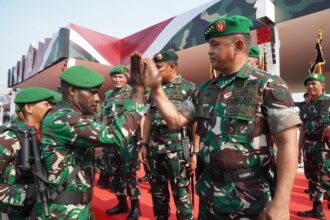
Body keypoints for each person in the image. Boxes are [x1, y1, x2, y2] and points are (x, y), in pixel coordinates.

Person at [140, 15, 301, 219]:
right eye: (209, 45)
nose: (209, 51)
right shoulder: (205, 90)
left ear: (238, 46)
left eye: (215, 45)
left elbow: (288, 143)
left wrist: (281, 202)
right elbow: (176, 120)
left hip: (249, 197)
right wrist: (155, 88)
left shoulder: (268, 85)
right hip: (209, 195)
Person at [33, 65, 147, 219]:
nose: (97, 98)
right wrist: (138, 91)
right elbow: (116, 135)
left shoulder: (68, 115)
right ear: (72, 91)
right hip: (64, 211)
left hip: (73, 206)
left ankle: (133, 205)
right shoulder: (64, 118)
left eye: (97, 93)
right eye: (92, 93)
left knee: (128, 174)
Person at [139, 50, 196, 220]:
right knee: (157, 192)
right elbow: (149, 117)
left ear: (172, 66)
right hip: (156, 150)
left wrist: (195, 153)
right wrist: (144, 143)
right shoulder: (157, 90)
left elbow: (196, 123)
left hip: (178, 149)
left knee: (181, 193)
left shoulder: (189, 88)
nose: (155, 71)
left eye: (159, 68)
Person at [0, 87, 55, 219]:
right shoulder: (10, 138)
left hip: (38, 209)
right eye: (46, 104)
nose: (51, 108)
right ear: (29, 108)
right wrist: (27, 192)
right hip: (14, 212)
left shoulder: (47, 135)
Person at [104, 65, 142, 219]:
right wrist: (102, 140)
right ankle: (122, 203)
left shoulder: (132, 94)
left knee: (129, 173)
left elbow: (140, 116)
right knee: (115, 173)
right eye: (114, 77)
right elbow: (105, 117)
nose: (117, 79)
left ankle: (136, 208)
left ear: (126, 78)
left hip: (128, 141)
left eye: (120, 77)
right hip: (111, 140)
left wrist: (141, 140)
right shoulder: (108, 95)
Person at [297, 73, 330, 219]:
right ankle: (317, 210)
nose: (310, 86)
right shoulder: (306, 106)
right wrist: (298, 149)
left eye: (313, 83)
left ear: (322, 85)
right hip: (309, 146)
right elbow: (303, 129)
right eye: (308, 84)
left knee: (327, 176)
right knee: (312, 177)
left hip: (326, 146)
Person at [138, 86, 151, 183]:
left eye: (149, 93)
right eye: (145, 93)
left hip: (153, 135)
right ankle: (148, 174)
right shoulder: (143, 105)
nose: (147, 95)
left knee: (152, 157)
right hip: (144, 135)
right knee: (144, 156)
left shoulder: (154, 104)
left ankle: (153, 177)